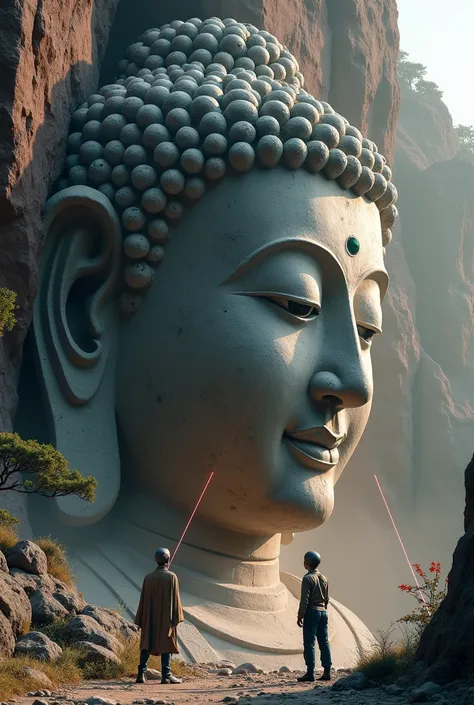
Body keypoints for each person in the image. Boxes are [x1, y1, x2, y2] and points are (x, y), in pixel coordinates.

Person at [20, 15, 397, 668]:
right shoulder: (70, 607)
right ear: (86, 306)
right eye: (296, 303)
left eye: (367, 329)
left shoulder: (360, 639)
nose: (353, 379)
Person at [134, 547, 184, 685]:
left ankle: (140, 674)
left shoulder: (148, 578)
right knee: (167, 642)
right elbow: (176, 599)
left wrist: (142, 618)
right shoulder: (172, 576)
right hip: (166, 618)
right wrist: (177, 616)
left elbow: (143, 600)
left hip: (150, 617)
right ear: (168, 559)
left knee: (146, 642)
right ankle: (165, 676)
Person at [297, 551, 332, 682]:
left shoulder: (307, 578)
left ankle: (310, 673)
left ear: (306, 563)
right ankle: (327, 671)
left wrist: (300, 615)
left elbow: (304, 600)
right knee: (324, 642)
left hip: (312, 612)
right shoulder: (324, 578)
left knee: (309, 643)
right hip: (323, 612)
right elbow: (327, 598)